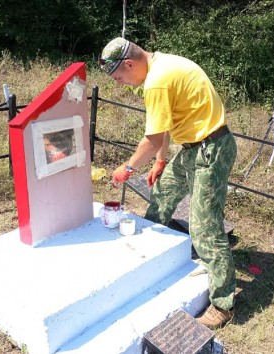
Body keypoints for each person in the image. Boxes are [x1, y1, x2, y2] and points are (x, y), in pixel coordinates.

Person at [99, 37, 237, 329]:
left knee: (205, 227)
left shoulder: (157, 81)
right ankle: (156, 257)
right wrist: (161, 162)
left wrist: (127, 168)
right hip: (194, 146)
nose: (120, 84)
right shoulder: (162, 65)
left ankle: (223, 305)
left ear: (129, 63)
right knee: (162, 194)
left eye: (120, 77)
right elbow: (163, 131)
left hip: (209, 149)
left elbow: (150, 140)